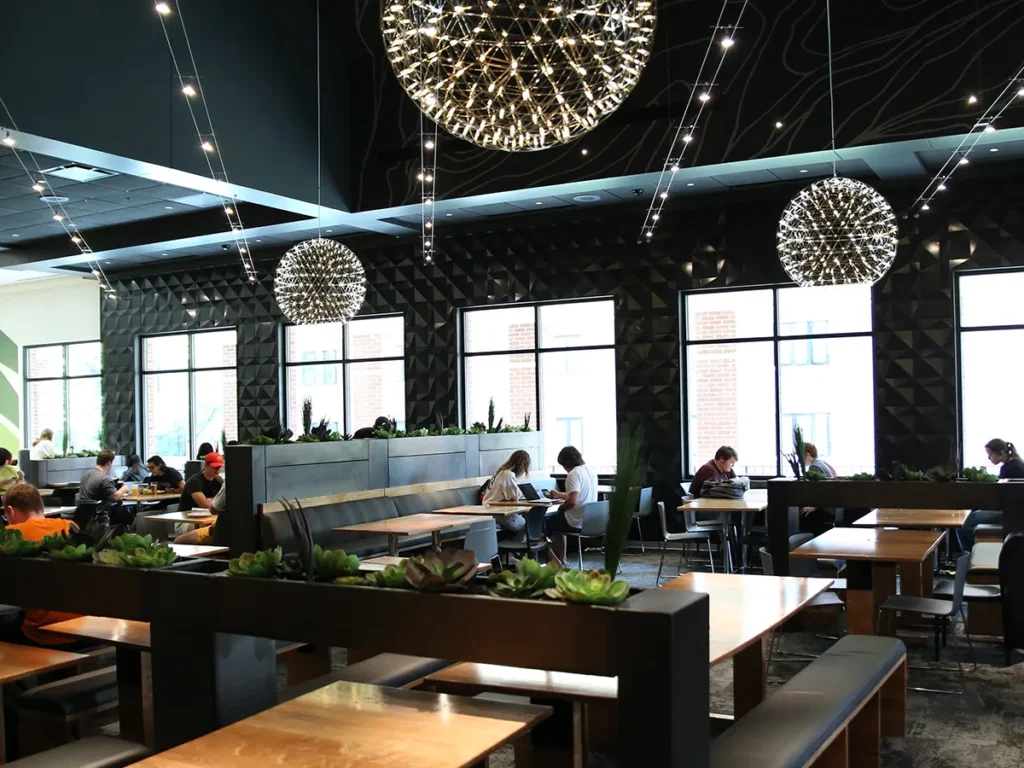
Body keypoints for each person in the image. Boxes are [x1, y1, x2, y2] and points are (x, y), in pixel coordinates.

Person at [1, 484, 84, 647]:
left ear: (10, 511)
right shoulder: (70, 527)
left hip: (42, 632)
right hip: (84, 626)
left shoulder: (10, 535)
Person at [961, 438, 1024, 549]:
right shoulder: (1015, 464)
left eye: (990, 455)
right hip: (1013, 511)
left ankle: (969, 552)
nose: (989, 458)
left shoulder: (1010, 468)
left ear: (1001, 453)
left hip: (1010, 513)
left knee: (966, 522)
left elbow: (1001, 494)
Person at [546, 446, 598, 567]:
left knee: (542, 525)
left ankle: (555, 561)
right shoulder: (590, 471)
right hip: (591, 521)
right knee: (557, 525)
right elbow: (577, 495)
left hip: (576, 522)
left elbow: (572, 502)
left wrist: (561, 507)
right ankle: (562, 559)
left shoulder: (573, 474)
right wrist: (559, 495)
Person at [482, 450, 531, 536]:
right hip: (497, 513)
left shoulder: (501, 471)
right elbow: (514, 496)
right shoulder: (508, 474)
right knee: (527, 524)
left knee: (525, 519)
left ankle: (518, 545)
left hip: (491, 509)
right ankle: (520, 546)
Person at [800, 442, 837, 535]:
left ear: (808, 455)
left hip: (826, 509)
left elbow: (823, 491)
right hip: (832, 507)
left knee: (803, 514)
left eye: (800, 456)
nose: (799, 460)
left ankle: (806, 544)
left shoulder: (814, 467)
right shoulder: (822, 463)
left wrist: (815, 507)